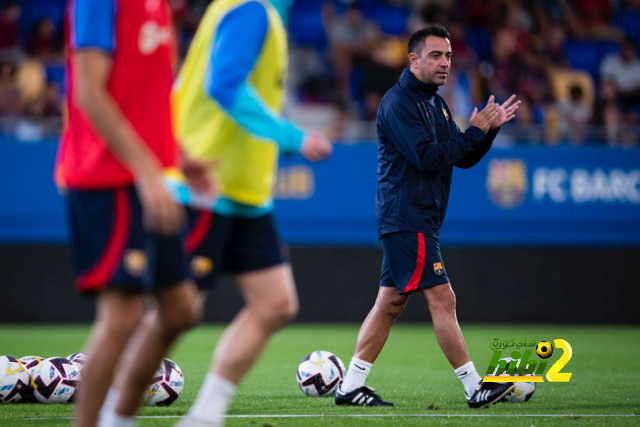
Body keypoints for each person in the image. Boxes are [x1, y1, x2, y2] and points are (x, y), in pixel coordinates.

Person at [109, 0, 332, 426]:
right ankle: (114, 414)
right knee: (177, 313)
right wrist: (292, 137)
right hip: (207, 188)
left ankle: (204, 417)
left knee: (276, 304)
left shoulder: (253, 11)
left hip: (244, 194)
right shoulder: (251, 9)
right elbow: (223, 85)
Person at [334, 25, 521, 409]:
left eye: (449, 56)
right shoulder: (400, 102)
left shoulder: (434, 103)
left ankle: (350, 385)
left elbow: (461, 156)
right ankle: (474, 387)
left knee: (389, 304)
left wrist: (486, 132)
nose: (445, 63)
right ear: (413, 59)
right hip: (408, 218)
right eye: (436, 55)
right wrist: (473, 131)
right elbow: (428, 158)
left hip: (414, 218)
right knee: (443, 298)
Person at [56, 1, 211, 426]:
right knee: (123, 315)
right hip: (108, 178)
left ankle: (117, 419)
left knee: (180, 309)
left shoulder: (159, 6)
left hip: (148, 176)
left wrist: (178, 158)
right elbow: (89, 90)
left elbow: (144, 99)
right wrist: (146, 170)